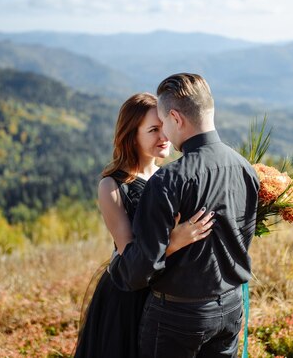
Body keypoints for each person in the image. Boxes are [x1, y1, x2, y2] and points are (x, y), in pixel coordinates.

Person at [109, 73, 260, 358]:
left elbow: (140, 269)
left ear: (176, 118)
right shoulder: (244, 168)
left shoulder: (168, 181)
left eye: (164, 123)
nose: (164, 132)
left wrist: (117, 266)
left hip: (177, 316)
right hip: (230, 308)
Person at [74, 92, 215, 358]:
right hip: (128, 296)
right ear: (132, 135)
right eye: (153, 130)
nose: (164, 136)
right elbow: (128, 255)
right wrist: (174, 241)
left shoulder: (170, 176)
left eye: (164, 127)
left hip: (168, 290)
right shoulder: (113, 186)